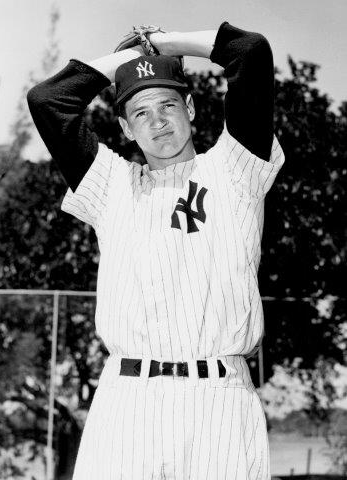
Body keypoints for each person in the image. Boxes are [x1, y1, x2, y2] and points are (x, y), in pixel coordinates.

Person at [27, 19, 284, 480]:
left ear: (190, 106)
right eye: (141, 113)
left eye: (168, 104)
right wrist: (129, 61)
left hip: (220, 402)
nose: (158, 121)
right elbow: (48, 101)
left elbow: (249, 52)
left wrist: (159, 45)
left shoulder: (236, 169)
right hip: (128, 401)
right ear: (124, 126)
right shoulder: (110, 185)